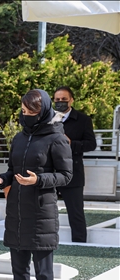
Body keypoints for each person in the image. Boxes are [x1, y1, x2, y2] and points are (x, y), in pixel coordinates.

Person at [0, 89, 73, 280]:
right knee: (18, 268)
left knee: (43, 270)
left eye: (30, 112)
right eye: (23, 112)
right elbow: (12, 170)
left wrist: (38, 180)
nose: (25, 116)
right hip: (17, 211)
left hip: (41, 213)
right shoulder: (19, 138)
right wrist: (0, 179)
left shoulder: (56, 138)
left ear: (42, 112)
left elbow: (66, 176)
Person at [53, 86, 97, 242]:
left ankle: (79, 243)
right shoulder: (48, 120)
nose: (60, 102)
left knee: (76, 212)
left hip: (73, 173)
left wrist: (71, 144)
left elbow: (91, 144)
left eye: (64, 99)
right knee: (41, 210)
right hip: (49, 172)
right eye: (57, 100)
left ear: (71, 100)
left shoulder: (83, 120)